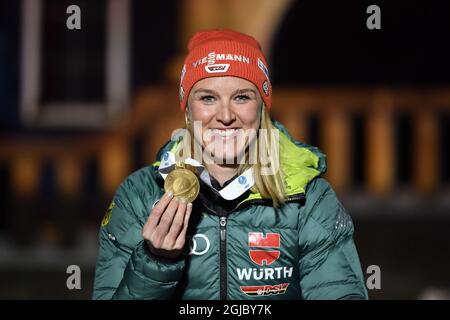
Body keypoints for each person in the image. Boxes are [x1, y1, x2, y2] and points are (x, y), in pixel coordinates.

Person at [93, 28, 368, 300]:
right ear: (187, 110)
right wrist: (155, 262)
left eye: (241, 97)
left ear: (262, 107)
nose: (225, 115)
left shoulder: (308, 199)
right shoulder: (139, 195)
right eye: (208, 98)